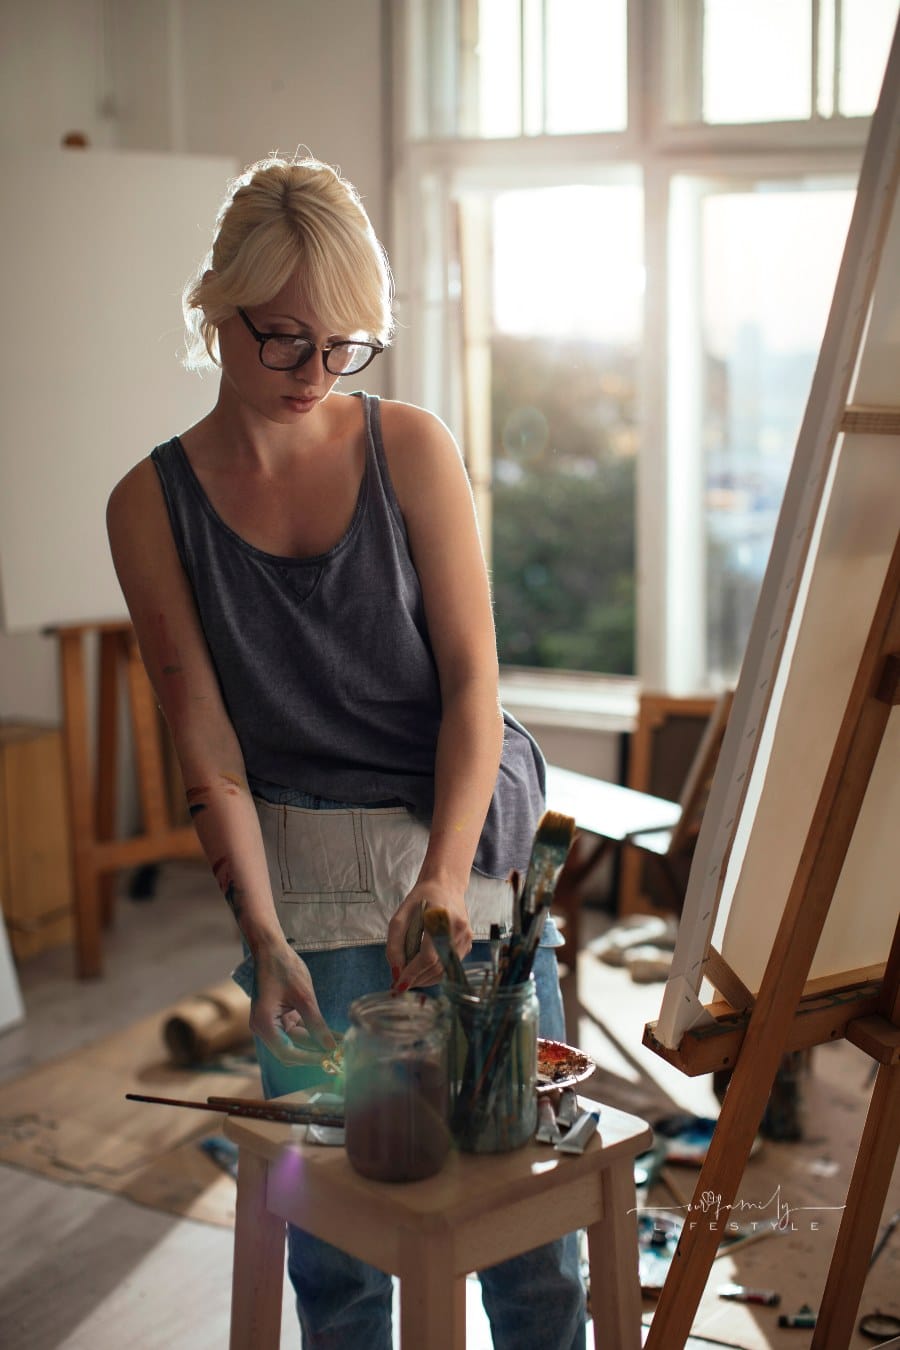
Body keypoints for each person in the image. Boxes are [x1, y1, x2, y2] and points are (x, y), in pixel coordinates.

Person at [107, 152, 585, 1350]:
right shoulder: (149, 506)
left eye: (345, 347)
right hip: (302, 867)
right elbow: (206, 743)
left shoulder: (408, 447)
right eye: (285, 342)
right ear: (220, 312)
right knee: (337, 1242)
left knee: (524, 1224)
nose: (315, 376)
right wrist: (263, 942)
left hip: (459, 831)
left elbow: (476, 686)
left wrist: (441, 878)